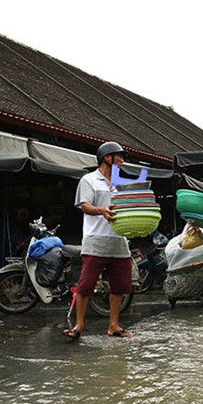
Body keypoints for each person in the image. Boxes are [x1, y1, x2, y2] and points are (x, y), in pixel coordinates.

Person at [63, 141, 134, 339]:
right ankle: (78, 325)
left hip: (119, 241)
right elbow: (84, 206)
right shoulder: (89, 180)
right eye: (119, 156)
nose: (122, 160)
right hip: (95, 241)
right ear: (106, 158)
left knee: (119, 286)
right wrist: (101, 210)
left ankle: (113, 326)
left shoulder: (121, 183)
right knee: (86, 285)